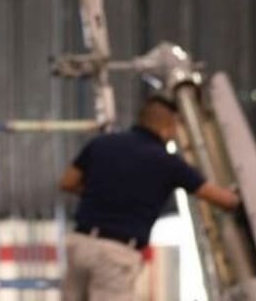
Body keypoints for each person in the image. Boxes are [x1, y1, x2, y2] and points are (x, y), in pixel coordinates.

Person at [58, 95, 241, 301]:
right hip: (116, 252)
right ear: (167, 127)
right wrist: (237, 197)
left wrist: (102, 194)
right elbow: (221, 199)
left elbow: (67, 182)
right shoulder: (169, 164)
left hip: (80, 243)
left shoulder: (101, 144)